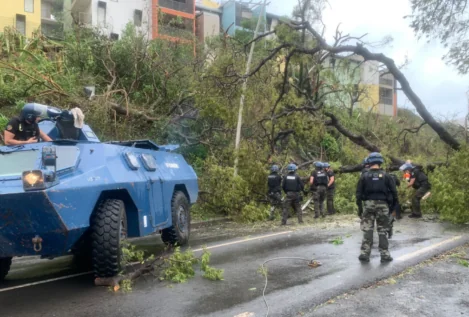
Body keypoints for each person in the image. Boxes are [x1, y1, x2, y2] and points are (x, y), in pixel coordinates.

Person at [356, 152, 397, 263]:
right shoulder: (387, 176)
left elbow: (358, 194)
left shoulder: (364, 176)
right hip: (383, 205)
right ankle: (385, 255)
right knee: (383, 230)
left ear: (369, 162)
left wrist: (360, 209)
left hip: (368, 205)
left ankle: (365, 253)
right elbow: (394, 193)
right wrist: (393, 208)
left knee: (367, 229)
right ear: (380, 162)